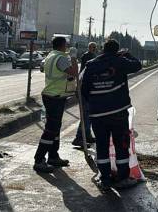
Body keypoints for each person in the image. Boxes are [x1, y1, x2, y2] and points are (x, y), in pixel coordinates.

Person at [81, 39, 142, 189]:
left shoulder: (91, 65)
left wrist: (96, 103)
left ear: (102, 49)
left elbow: (83, 90)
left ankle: (105, 180)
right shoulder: (120, 61)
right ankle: (122, 178)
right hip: (118, 113)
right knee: (121, 145)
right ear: (117, 50)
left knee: (101, 146)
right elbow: (137, 65)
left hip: (97, 115)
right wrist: (127, 54)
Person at [33, 36, 79, 173]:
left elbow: (43, 69)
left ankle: (53, 156)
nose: (67, 46)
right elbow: (74, 72)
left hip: (51, 95)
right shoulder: (61, 58)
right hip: (55, 97)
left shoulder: (50, 56)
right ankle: (39, 159)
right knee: (51, 129)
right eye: (66, 45)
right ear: (62, 45)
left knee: (55, 128)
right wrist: (74, 58)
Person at [72, 42, 98, 147]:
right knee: (86, 116)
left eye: (94, 47)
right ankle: (79, 138)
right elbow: (83, 72)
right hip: (85, 90)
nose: (93, 49)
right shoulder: (87, 58)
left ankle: (87, 135)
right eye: (92, 47)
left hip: (87, 90)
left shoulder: (94, 57)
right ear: (89, 47)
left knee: (89, 115)